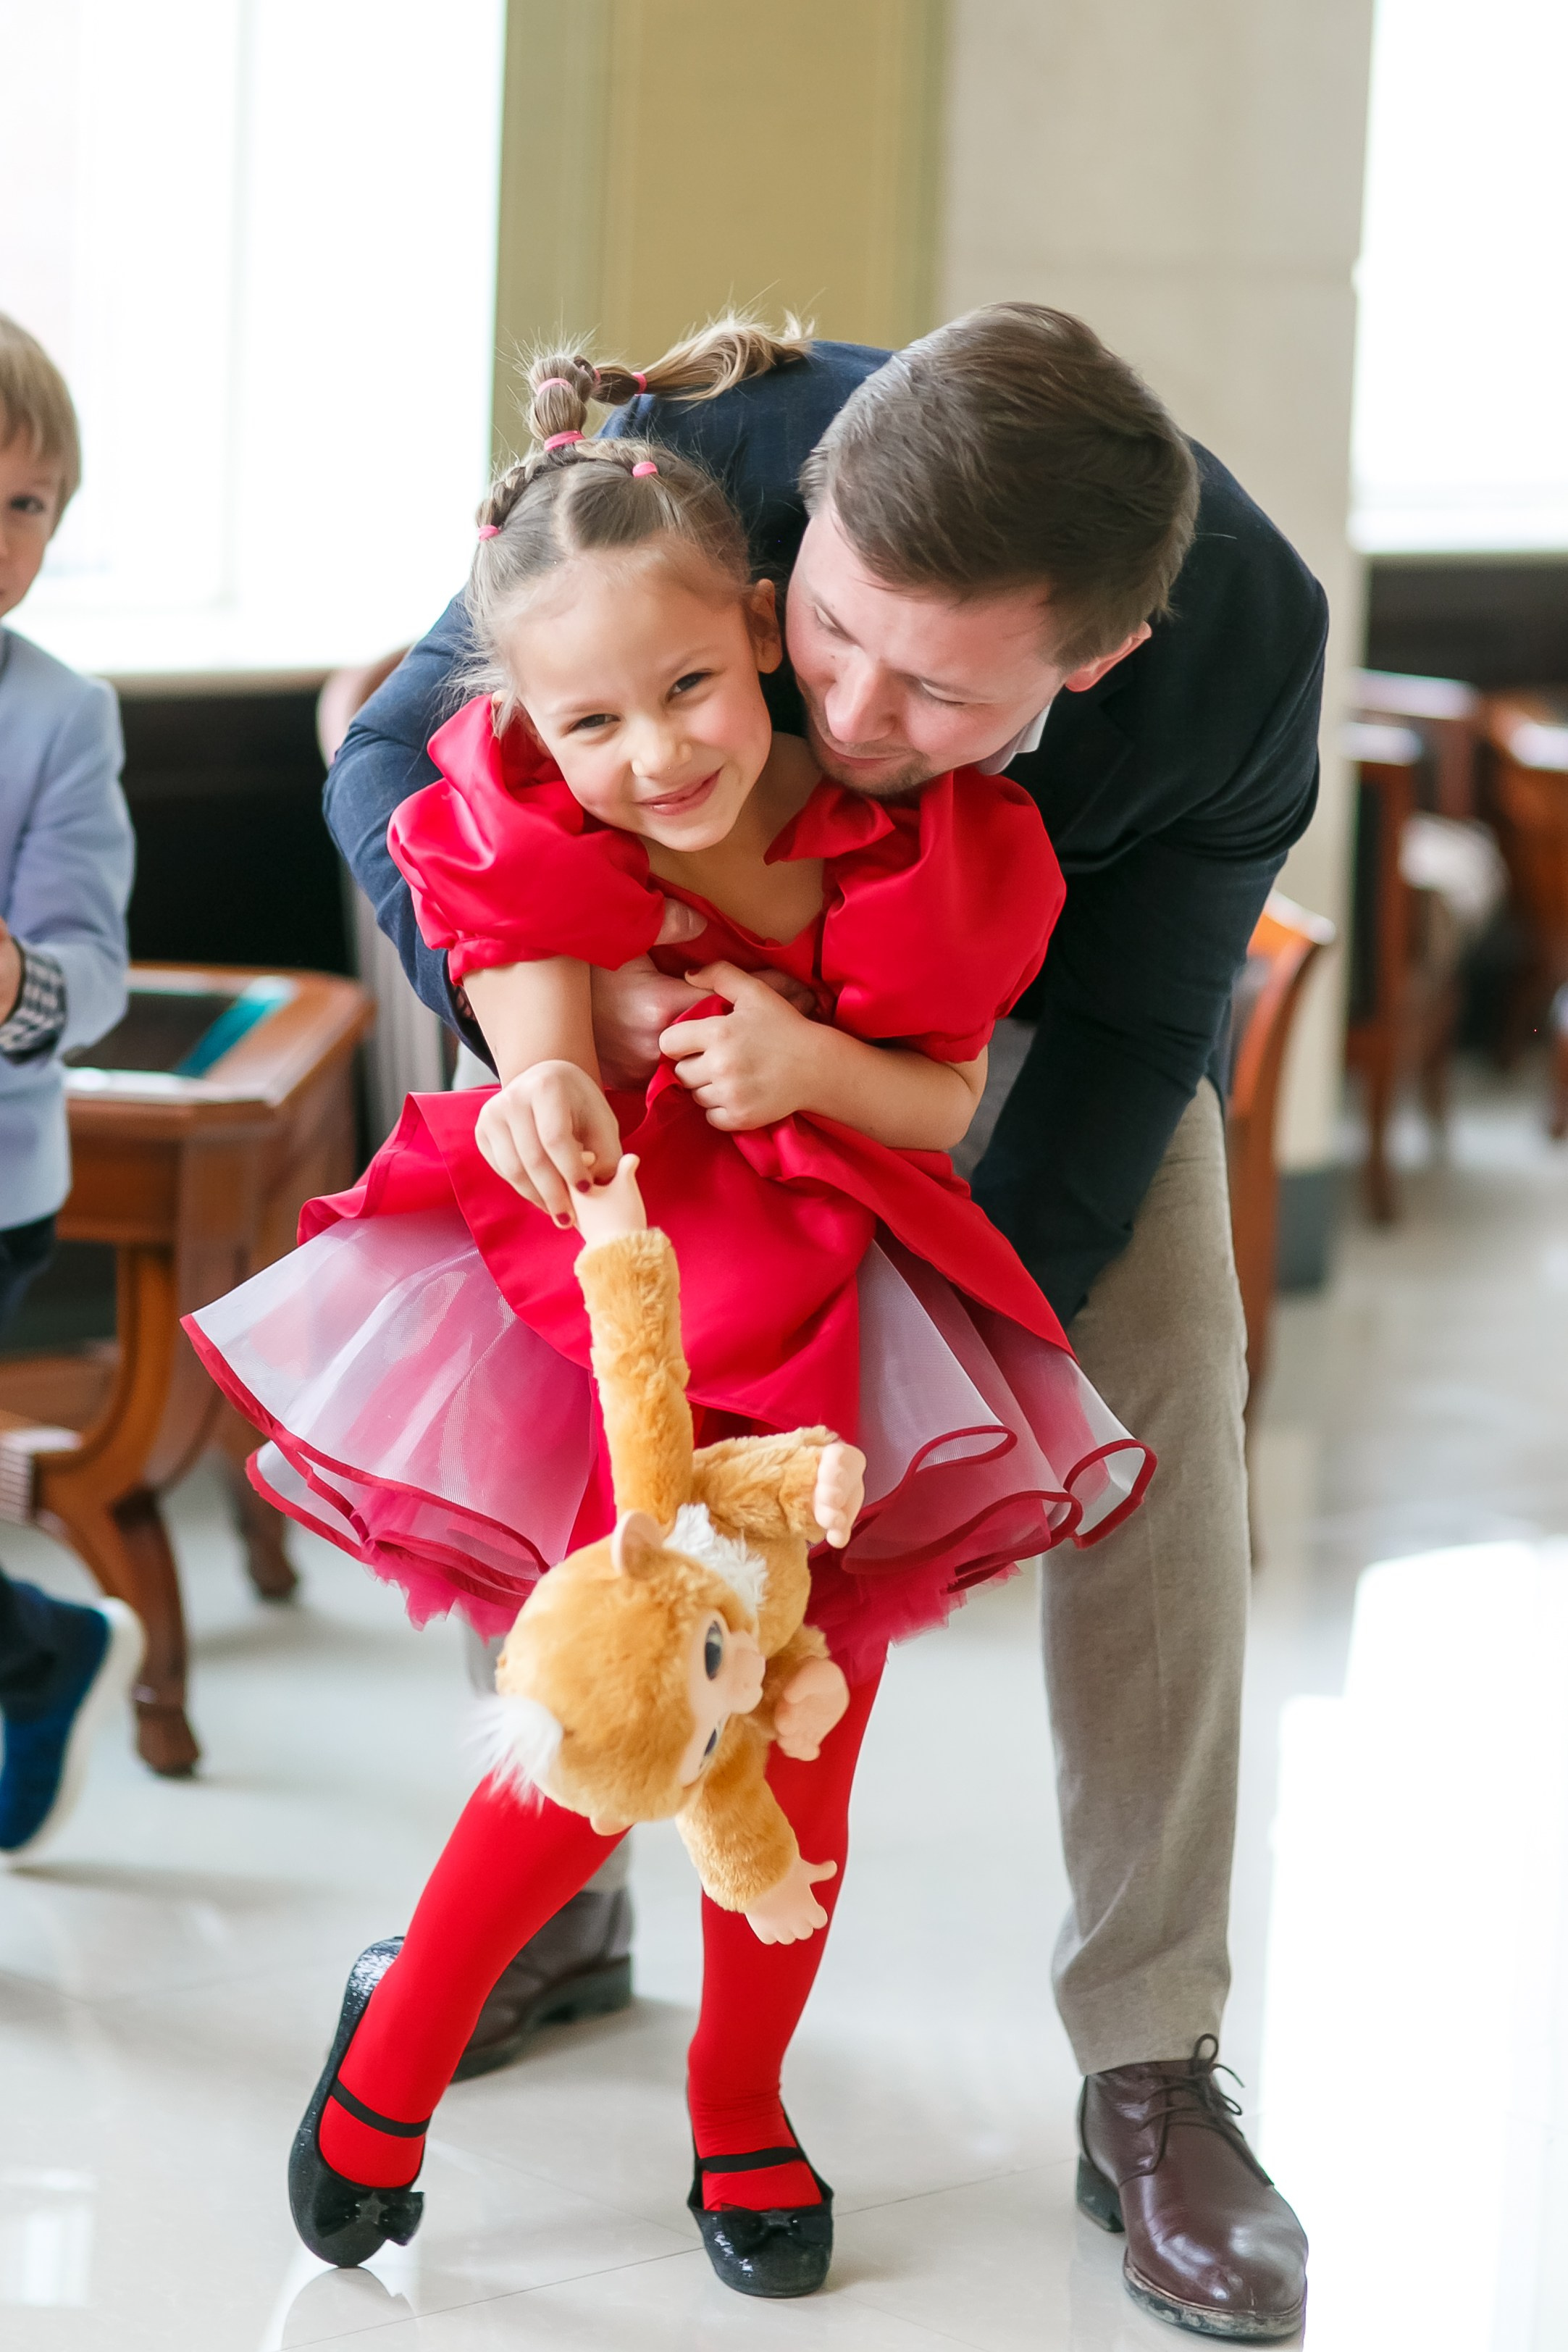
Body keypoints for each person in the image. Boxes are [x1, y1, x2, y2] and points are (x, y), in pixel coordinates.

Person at [327, 302, 1322, 2340]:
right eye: (827, 632)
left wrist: (946, 1370)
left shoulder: (1237, 658)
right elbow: (382, 764)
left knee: (1159, 1418)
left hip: (1010, 1021)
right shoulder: (732, 456)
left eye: (941, 691)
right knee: (608, 1405)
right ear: (811, 522)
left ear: (1092, 659)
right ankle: (576, 1877)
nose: (854, 708)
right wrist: (572, 1017)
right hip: (652, 973)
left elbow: (1135, 1028)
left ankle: (1149, 2059)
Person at [0, 314, 142, 1857]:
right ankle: (45, 1645)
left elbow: (90, 972)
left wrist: (15, 988)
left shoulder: (57, 718)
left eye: (29, 504)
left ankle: (46, 1653)